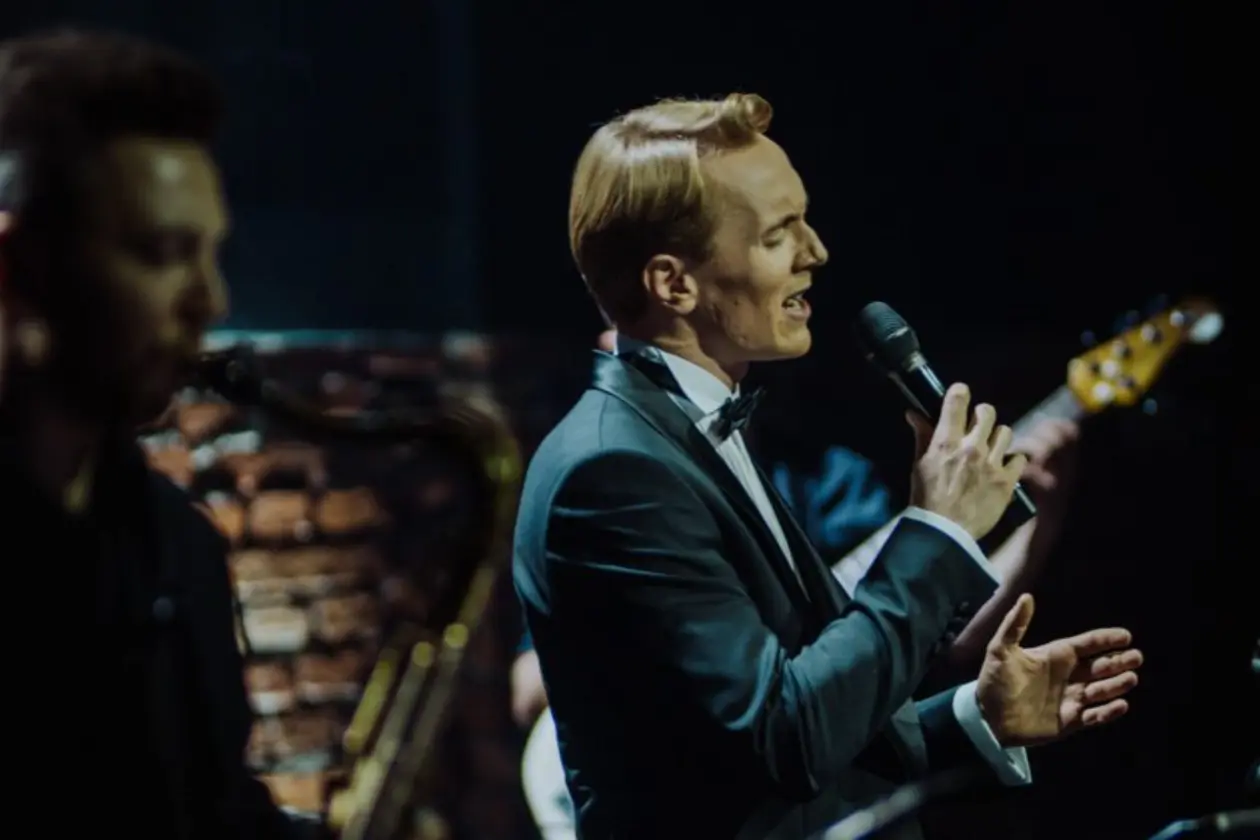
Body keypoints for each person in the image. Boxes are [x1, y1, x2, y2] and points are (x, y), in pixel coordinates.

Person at [512, 93, 1143, 840]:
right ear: (674, 283)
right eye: (779, 233)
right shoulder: (615, 471)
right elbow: (786, 737)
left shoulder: (695, 434)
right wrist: (938, 527)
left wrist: (977, 715)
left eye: (804, 222)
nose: (816, 253)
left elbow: (782, 741)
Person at [0, 30, 314, 838]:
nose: (210, 300)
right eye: (164, 252)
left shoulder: (179, 545)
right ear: (16, 267)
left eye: (210, 253)